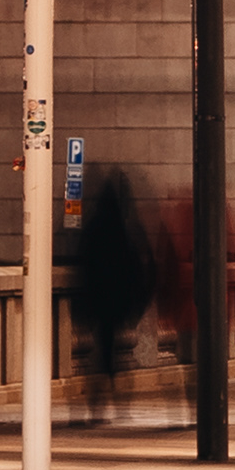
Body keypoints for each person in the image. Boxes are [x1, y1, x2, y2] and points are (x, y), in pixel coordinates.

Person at [76, 163, 157, 417]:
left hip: (100, 299)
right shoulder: (127, 229)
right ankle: (121, 404)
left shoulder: (94, 228)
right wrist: (139, 300)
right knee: (118, 354)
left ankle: (97, 403)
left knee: (103, 352)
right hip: (119, 299)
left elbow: (86, 265)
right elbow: (141, 265)